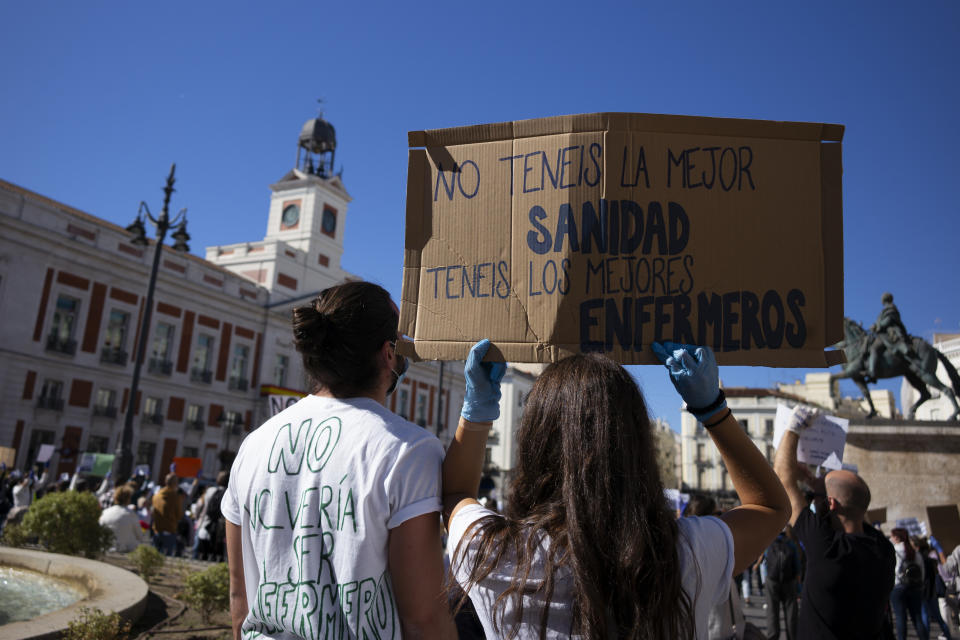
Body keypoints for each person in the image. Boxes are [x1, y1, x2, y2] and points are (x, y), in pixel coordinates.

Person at [444, 340, 791, 639]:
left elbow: (454, 494)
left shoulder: (492, 554)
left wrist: (476, 413)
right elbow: (772, 508)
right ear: (637, 443)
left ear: (535, 442)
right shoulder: (687, 552)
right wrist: (713, 410)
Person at [222, 281, 455, 640]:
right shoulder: (409, 450)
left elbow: (240, 598)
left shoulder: (254, 445)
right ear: (389, 354)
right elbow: (423, 619)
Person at [774, 405, 896, 640]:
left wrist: (793, 427)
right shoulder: (883, 549)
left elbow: (783, 480)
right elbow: (854, 504)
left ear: (831, 505)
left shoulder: (827, 548)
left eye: (813, 497)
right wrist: (816, 486)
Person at [890, 528, 929, 640]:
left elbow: (895, 571)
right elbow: (922, 571)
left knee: (900, 618)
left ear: (896, 537)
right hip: (915, 587)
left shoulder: (894, 550)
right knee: (917, 618)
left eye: (892, 536)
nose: (891, 538)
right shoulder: (914, 552)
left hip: (898, 588)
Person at [762, 527, 801, 640]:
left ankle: (773, 636)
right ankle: (792, 636)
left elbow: (765, 562)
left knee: (772, 612)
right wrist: (798, 587)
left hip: (772, 581)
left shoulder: (770, 543)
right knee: (791, 613)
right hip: (789, 582)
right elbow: (797, 567)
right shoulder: (791, 544)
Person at [867, 292, 916, 382]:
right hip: (883, 333)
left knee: (874, 348)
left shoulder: (890, 308)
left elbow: (888, 320)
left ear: (884, 300)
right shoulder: (887, 309)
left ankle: (872, 372)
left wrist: (877, 326)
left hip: (889, 333)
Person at [915, 535, 953, 640]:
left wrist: (940, 551)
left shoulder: (926, 557)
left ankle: (940, 635)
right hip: (933, 589)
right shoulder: (929, 556)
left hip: (930, 589)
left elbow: (945, 565)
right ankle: (946, 634)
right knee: (937, 613)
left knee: (929, 615)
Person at [99, 484, 146, 552]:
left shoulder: (105, 512)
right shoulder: (131, 514)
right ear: (128, 499)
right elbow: (140, 536)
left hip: (104, 548)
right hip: (123, 550)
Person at [151, 473, 183, 556]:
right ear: (175, 484)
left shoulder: (156, 495)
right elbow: (179, 515)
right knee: (166, 559)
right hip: (169, 530)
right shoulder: (175, 497)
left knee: (154, 555)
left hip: (157, 529)